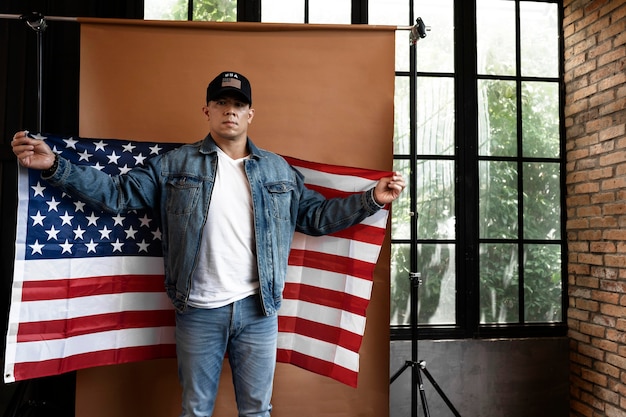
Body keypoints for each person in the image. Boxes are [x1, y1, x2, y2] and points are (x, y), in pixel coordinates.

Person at [11, 71, 406, 417]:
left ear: (250, 114)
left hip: (259, 311)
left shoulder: (276, 169)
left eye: (238, 104)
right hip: (199, 309)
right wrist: (57, 166)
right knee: (196, 409)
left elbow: (315, 218)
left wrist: (372, 199)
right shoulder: (174, 165)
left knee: (257, 409)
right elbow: (117, 194)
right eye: (221, 102)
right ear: (207, 111)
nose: (230, 110)